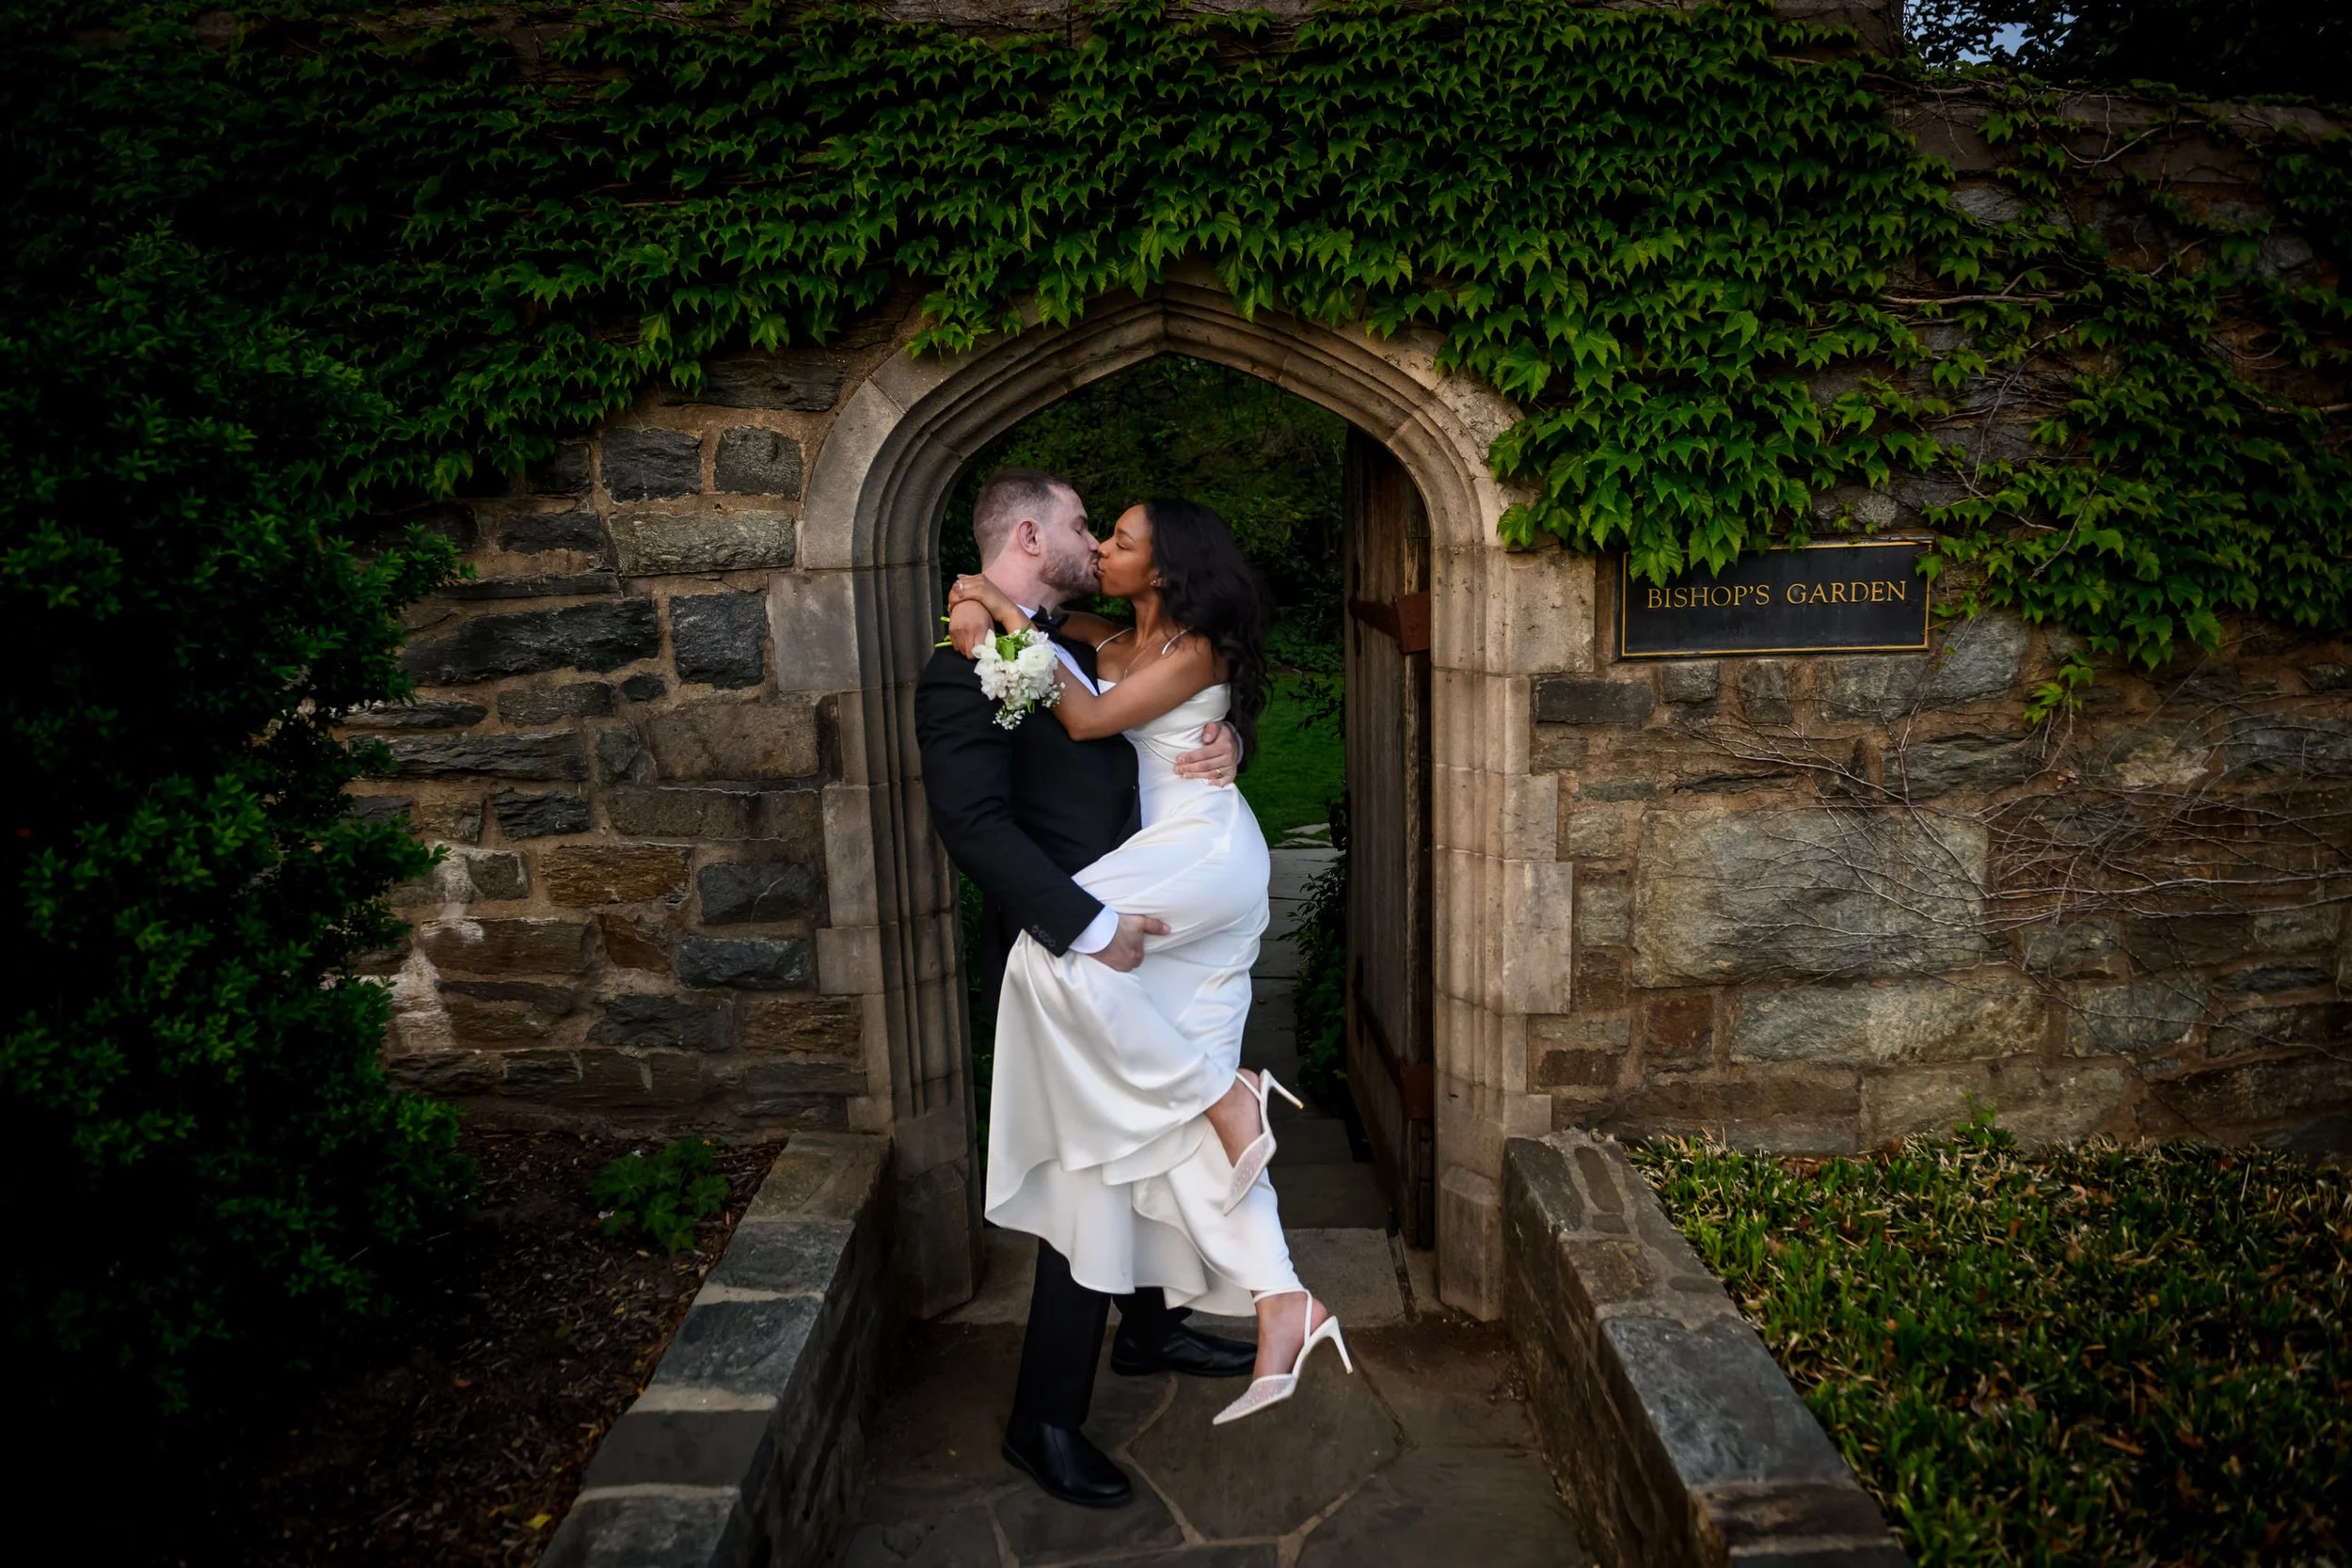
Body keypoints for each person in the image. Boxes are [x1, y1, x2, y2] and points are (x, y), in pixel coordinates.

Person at [944, 491, 1351, 1455]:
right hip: (1167, 866)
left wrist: (999, 626)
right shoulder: (1107, 632)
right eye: (1100, 531)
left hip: (1202, 858)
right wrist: (978, 607)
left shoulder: (1196, 644)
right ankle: (1283, 1297)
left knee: (1052, 960)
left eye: (1118, 540)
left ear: (1163, 570)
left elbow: (1084, 721)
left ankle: (1223, 1092)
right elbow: (1026, 612)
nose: (1102, 550)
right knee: (1167, 1107)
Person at [914, 470, 1257, 1511]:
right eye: (1079, 524)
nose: (1091, 537)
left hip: (1147, 928)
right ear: (1032, 532)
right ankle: (1043, 1419)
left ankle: (1147, 1328)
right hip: (1075, 946)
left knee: (1153, 1127)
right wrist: (1091, 927)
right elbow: (976, 829)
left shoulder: (1068, 640)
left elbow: (1150, 722)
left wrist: (1224, 738)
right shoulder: (956, 670)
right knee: (1093, 1179)